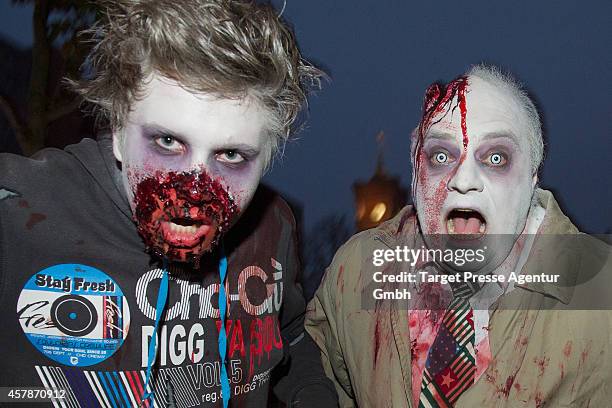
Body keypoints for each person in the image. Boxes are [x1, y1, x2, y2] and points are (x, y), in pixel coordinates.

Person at [0, 1, 338, 407]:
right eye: (167, 142)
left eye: (231, 155)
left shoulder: (273, 227)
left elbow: (290, 337)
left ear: (266, 158)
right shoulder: (17, 209)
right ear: (120, 129)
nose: (194, 192)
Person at [305, 65, 611, 407]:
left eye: (496, 157)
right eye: (440, 156)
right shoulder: (356, 272)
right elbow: (310, 374)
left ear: (533, 176)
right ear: (414, 170)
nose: (463, 179)